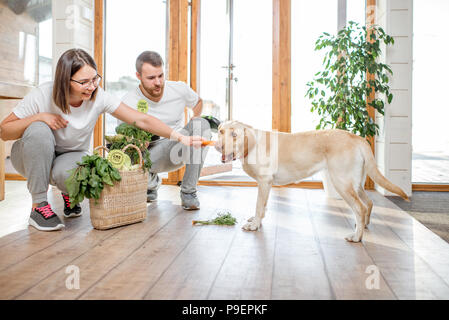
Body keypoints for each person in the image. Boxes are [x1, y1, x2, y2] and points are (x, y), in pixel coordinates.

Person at [0, 48, 205, 232]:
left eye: (95, 79)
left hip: (70, 157)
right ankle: (39, 206)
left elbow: (141, 119)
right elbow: (4, 131)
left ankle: (68, 193)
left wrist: (178, 136)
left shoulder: (99, 97)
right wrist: (39, 117)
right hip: (30, 155)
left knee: (78, 172)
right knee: (38, 129)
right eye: (83, 82)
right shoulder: (42, 94)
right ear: (65, 80)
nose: (91, 86)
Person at [121, 51, 211, 210]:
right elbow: (123, 139)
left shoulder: (179, 89)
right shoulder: (129, 101)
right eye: (151, 78)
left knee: (201, 124)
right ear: (138, 76)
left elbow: (198, 102)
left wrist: (193, 119)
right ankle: (151, 183)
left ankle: (188, 192)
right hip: (149, 154)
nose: (158, 82)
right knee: (128, 158)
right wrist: (137, 142)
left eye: (160, 75)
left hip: (177, 148)